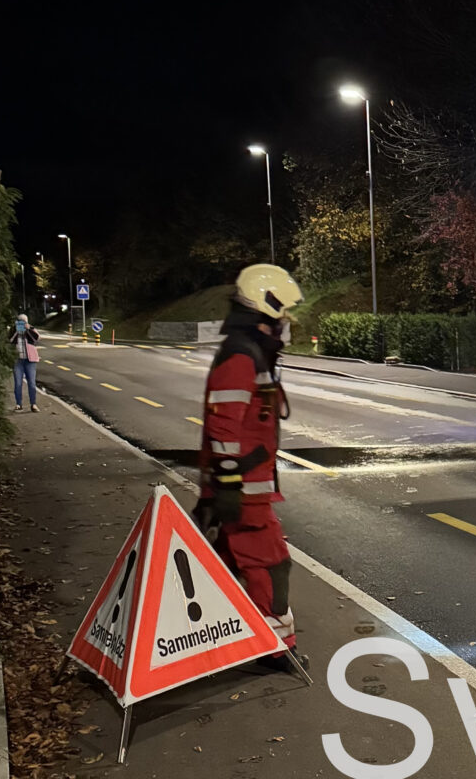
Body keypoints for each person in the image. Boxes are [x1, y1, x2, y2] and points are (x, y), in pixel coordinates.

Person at [194, 264, 305, 666]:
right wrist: (228, 483)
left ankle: (219, 641)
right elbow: (224, 423)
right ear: (266, 307)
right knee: (270, 564)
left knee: (222, 565)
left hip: (240, 487)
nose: (286, 322)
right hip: (243, 492)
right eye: (282, 313)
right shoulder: (242, 355)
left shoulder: (249, 352)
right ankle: (274, 650)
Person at [9, 314, 40, 412]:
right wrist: (16, 331)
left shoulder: (31, 329)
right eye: (20, 322)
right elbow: (10, 341)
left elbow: (36, 339)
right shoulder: (13, 330)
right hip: (18, 360)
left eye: (24, 322)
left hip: (30, 360)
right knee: (18, 383)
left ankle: (33, 404)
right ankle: (18, 404)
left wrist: (28, 329)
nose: (22, 324)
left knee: (32, 383)